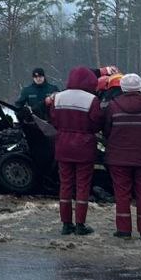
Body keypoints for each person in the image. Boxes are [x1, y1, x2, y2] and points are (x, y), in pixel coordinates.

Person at [103, 73, 141, 239]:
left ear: (122, 87)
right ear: (140, 86)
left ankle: (123, 230)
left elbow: (107, 130)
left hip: (119, 158)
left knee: (122, 194)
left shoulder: (113, 105)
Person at [48, 66, 104, 236]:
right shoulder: (92, 100)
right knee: (82, 186)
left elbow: (54, 120)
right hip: (84, 148)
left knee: (65, 185)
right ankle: (80, 224)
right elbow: (96, 124)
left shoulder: (58, 98)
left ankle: (66, 224)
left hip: (63, 146)